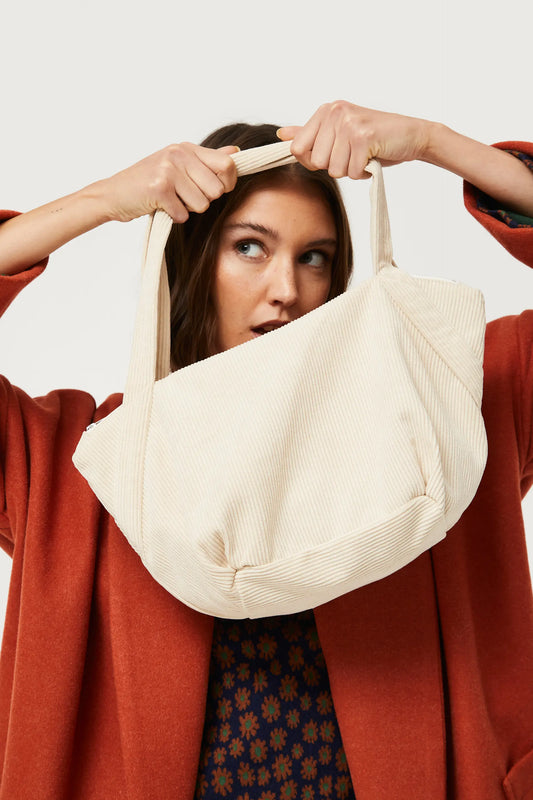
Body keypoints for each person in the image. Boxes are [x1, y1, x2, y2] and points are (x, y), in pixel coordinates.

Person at [0, 101, 532, 800]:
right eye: (250, 247)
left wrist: (432, 142)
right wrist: (104, 201)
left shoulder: (437, 412)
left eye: (314, 258)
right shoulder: (77, 464)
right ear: (191, 259)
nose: (286, 291)